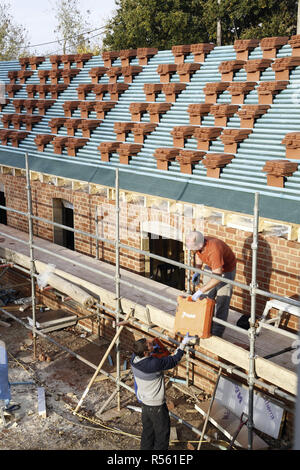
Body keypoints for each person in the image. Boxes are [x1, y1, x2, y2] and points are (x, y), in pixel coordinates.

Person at [130, 333, 194, 450]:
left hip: (145, 402)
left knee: (148, 432)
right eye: (149, 345)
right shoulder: (153, 364)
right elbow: (173, 360)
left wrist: (151, 347)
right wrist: (183, 343)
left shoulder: (134, 359)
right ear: (145, 352)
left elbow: (148, 352)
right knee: (162, 435)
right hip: (156, 406)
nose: (151, 343)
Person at [185, 231, 237, 338]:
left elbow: (217, 278)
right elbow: (199, 255)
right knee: (206, 298)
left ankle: (217, 333)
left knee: (222, 300)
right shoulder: (199, 245)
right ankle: (205, 325)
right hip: (211, 266)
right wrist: (198, 271)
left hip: (225, 270)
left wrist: (200, 290)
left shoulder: (214, 250)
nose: (194, 251)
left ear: (200, 245)